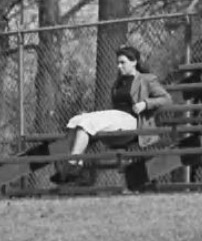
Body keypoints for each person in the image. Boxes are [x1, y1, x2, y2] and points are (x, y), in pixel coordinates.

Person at [57, 45, 172, 181]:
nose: (119, 66)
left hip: (133, 121)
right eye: (118, 63)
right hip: (117, 118)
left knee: (87, 122)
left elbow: (166, 99)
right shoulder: (118, 82)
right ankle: (77, 164)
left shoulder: (146, 79)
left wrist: (145, 104)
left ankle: (71, 164)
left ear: (134, 62)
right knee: (76, 120)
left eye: (122, 62)